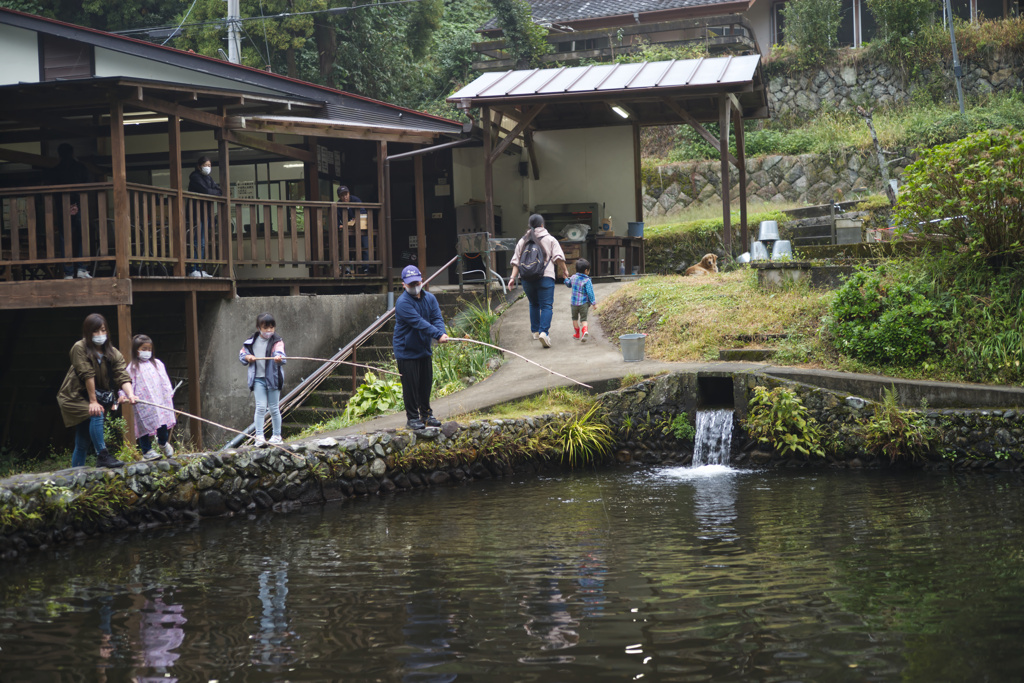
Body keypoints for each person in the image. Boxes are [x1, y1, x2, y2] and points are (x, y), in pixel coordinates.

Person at [56, 313, 137, 468]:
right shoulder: (79, 348)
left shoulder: (112, 352)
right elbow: (87, 374)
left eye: (103, 330)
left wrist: (130, 394)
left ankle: (76, 475)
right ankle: (103, 455)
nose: (100, 335)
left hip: (93, 398)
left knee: (82, 441)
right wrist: (93, 401)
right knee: (97, 412)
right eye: (95, 331)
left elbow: (122, 374)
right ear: (87, 332)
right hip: (74, 397)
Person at [393, 265, 448, 430]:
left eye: (416, 282)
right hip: (406, 350)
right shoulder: (402, 302)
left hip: (423, 348)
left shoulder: (430, 298)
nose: (414, 286)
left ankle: (426, 415)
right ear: (404, 285)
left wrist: (441, 333)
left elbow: (436, 318)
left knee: (425, 383)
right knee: (411, 386)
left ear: (422, 281)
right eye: (410, 284)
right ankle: (412, 418)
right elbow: (419, 323)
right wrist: (437, 335)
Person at [507, 214, 568, 348]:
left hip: (527, 278)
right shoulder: (550, 239)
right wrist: (564, 270)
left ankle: (535, 331)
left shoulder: (523, 241)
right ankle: (543, 332)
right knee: (546, 306)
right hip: (545, 277)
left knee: (533, 304)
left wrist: (512, 278)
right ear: (542, 225)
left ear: (530, 226)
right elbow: (558, 257)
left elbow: (516, 262)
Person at [239, 313, 287, 446]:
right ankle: (259, 436)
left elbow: (281, 354)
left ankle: (277, 435)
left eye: (272, 327)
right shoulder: (251, 341)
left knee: (273, 408)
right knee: (260, 407)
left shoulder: (277, 341)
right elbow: (242, 354)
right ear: (258, 327)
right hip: (258, 379)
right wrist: (248, 357)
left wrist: (278, 358)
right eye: (266, 328)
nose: (269, 331)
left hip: (273, 379)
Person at [126, 334, 176, 460]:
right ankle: (147, 450)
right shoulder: (132, 367)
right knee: (144, 428)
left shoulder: (157, 364)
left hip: (160, 401)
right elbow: (127, 383)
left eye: (149, 349)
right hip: (143, 404)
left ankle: (163, 443)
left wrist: (168, 392)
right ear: (136, 350)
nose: (147, 352)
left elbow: (164, 380)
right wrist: (127, 395)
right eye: (143, 349)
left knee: (162, 426)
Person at [48, 143, 92, 280]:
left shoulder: (55, 170)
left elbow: (52, 189)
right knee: (82, 236)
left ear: (59, 154)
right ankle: (81, 268)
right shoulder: (80, 167)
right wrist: (76, 203)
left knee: (64, 238)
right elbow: (87, 184)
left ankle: (68, 272)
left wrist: (63, 205)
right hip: (79, 205)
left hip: (62, 207)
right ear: (72, 153)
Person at [187, 156, 221, 278]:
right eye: (205, 165)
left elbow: (219, 190)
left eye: (209, 165)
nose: (208, 167)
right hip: (196, 213)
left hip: (206, 213)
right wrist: (212, 191)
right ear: (199, 166)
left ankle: (200, 268)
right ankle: (193, 269)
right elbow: (206, 192)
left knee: (203, 242)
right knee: (197, 242)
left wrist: (212, 191)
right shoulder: (195, 177)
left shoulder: (208, 178)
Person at [563, 258, 597, 342]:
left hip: (574, 304)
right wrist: (593, 303)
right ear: (586, 271)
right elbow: (590, 292)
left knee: (574, 318)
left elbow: (568, 284)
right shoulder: (587, 280)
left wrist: (565, 279)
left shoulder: (573, 277)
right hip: (584, 303)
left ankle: (577, 334)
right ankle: (585, 331)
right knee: (584, 319)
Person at [337, 185, 369, 272]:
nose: (345, 197)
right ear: (339, 197)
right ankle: (347, 268)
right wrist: (340, 225)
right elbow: (336, 220)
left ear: (349, 194)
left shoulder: (356, 200)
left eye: (346, 194)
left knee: (365, 246)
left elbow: (363, 212)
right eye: (342, 195)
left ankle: (365, 267)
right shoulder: (338, 205)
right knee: (346, 247)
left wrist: (357, 218)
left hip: (361, 228)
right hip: (348, 230)